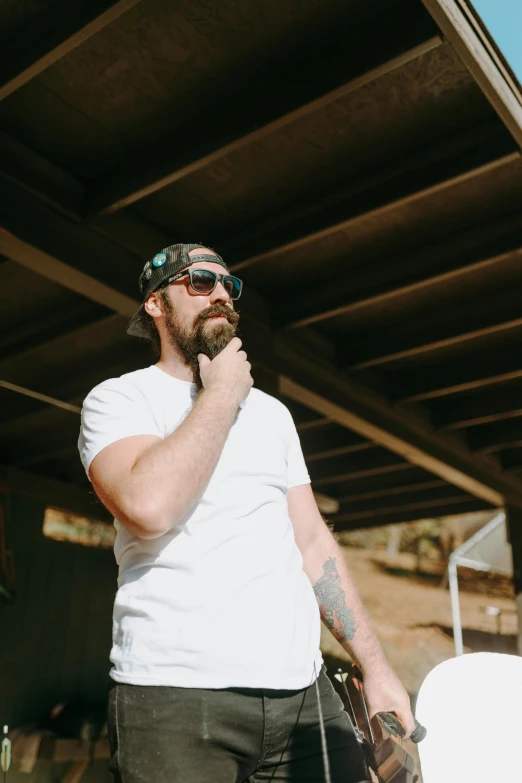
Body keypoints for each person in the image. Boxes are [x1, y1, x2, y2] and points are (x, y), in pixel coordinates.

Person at [78, 243, 415, 782]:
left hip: (303, 699)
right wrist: (224, 392)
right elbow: (149, 506)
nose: (220, 294)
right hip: (175, 700)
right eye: (200, 282)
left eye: (228, 286)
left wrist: (376, 668)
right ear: (155, 305)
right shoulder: (118, 400)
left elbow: (312, 543)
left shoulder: (273, 415)